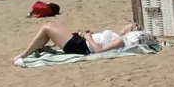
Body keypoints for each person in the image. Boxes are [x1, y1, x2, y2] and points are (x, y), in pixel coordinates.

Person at [15, 21, 148, 63]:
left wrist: (89, 37)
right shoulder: (117, 36)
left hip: (80, 45)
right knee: (50, 25)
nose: (125, 25)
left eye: (128, 25)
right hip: (81, 40)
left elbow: (99, 51)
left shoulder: (119, 40)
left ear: (131, 31)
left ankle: (24, 54)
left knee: (46, 28)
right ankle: (37, 48)